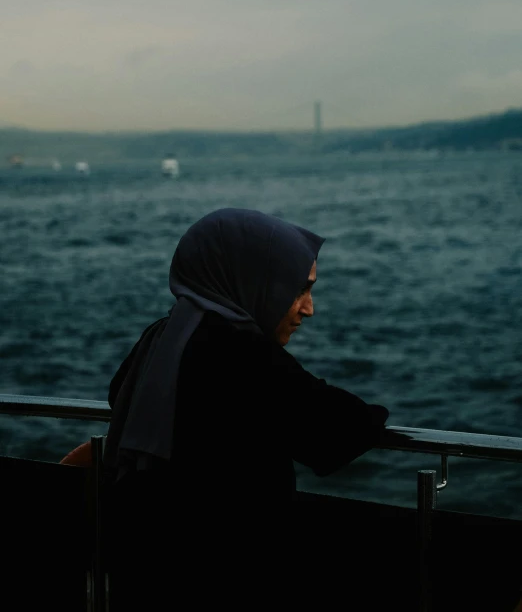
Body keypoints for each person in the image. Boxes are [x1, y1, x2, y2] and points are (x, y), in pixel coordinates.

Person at [102, 207, 389, 605]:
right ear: (257, 280)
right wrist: (379, 415)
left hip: (144, 570)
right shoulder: (238, 352)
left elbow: (118, 394)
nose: (309, 309)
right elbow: (336, 430)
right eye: (300, 289)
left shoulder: (164, 335)